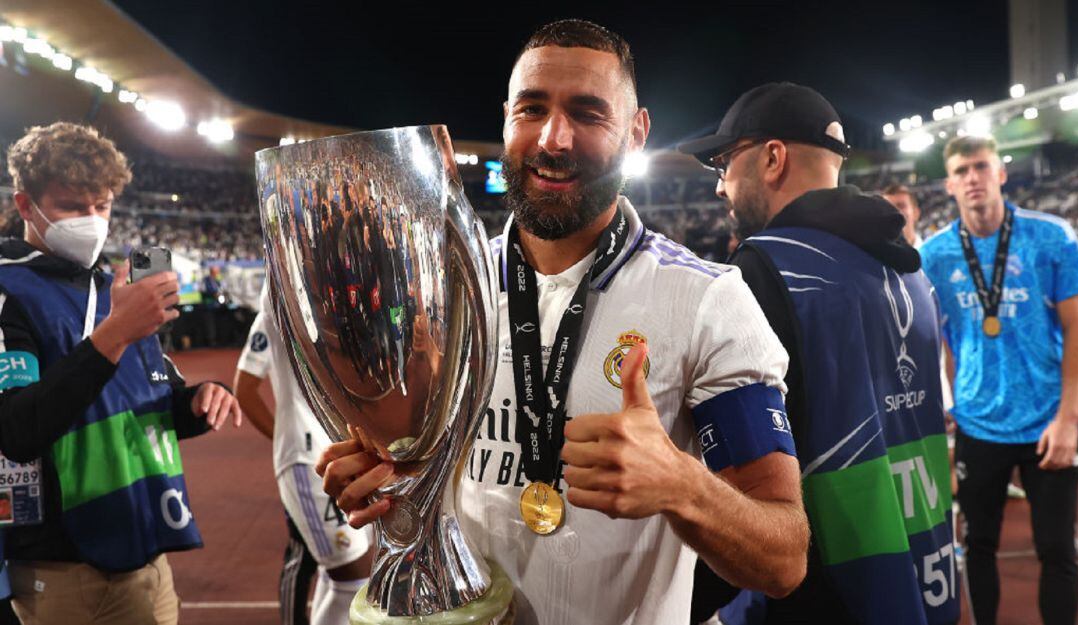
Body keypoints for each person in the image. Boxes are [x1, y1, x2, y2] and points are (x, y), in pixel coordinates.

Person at [318, 19, 808, 625]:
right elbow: (416, 493)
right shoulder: (435, 296)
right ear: (506, 120)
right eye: (532, 110)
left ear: (636, 132)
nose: (554, 139)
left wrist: (686, 486)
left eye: (588, 113)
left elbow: (784, 558)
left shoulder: (707, 300)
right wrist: (387, 480)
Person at [679, 82, 957, 624]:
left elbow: (745, 476)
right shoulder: (910, 269)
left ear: (773, 158)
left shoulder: (766, 271)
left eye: (725, 163)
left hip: (820, 593)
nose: (720, 188)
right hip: (925, 574)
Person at [0, 122, 243, 625]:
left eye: (102, 206)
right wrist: (114, 333)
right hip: (68, 567)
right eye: (72, 206)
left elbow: (152, 395)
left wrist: (200, 399)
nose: (92, 220)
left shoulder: (110, 287)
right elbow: (16, 430)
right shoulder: (8, 290)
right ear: (26, 206)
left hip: (146, 546)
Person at [919, 135, 1078, 625]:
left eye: (981, 167)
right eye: (962, 170)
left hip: (1046, 421)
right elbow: (938, 340)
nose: (973, 178)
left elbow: (1077, 326)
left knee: (1056, 549)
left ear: (1001, 173)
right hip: (977, 423)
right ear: (949, 183)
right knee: (979, 545)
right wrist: (950, 396)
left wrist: (1070, 418)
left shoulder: (1052, 237)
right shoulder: (935, 255)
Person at [234, 285, 373, 625]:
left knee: (345, 574)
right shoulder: (281, 290)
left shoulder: (345, 288)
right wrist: (287, 441)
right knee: (351, 578)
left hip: (343, 452)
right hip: (309, 457)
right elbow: (245, 387)